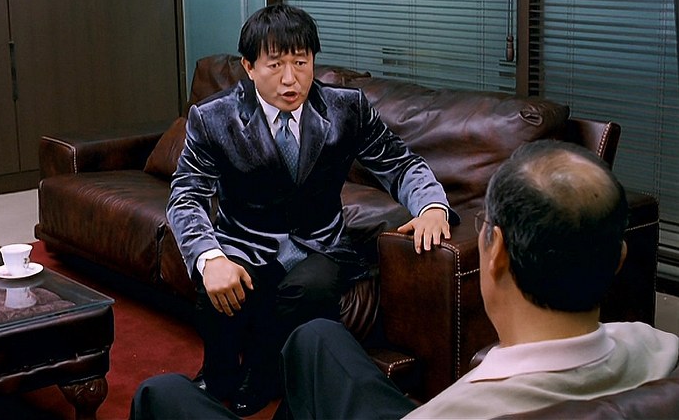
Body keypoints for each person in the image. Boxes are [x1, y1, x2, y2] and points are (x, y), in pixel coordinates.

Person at [133, 139, 679, 419]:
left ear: (494, 254)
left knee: (163, 394)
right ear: (618, 259)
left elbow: (397, 162)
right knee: (316, 337)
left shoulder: (457, 410)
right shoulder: (661, 350)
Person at [165, 3, 457, 416]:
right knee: (216, 281)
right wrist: (209, 256)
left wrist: (431, 206)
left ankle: (266, 372)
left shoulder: (346, 108)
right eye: (275, 65)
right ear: (249, 67)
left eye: (301, 63)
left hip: (320, 243)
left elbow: (400, 163)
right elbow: (186, 195)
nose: (291, 79)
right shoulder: (214, 118)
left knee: (307, 290)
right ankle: (219, 373)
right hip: (245, 240)